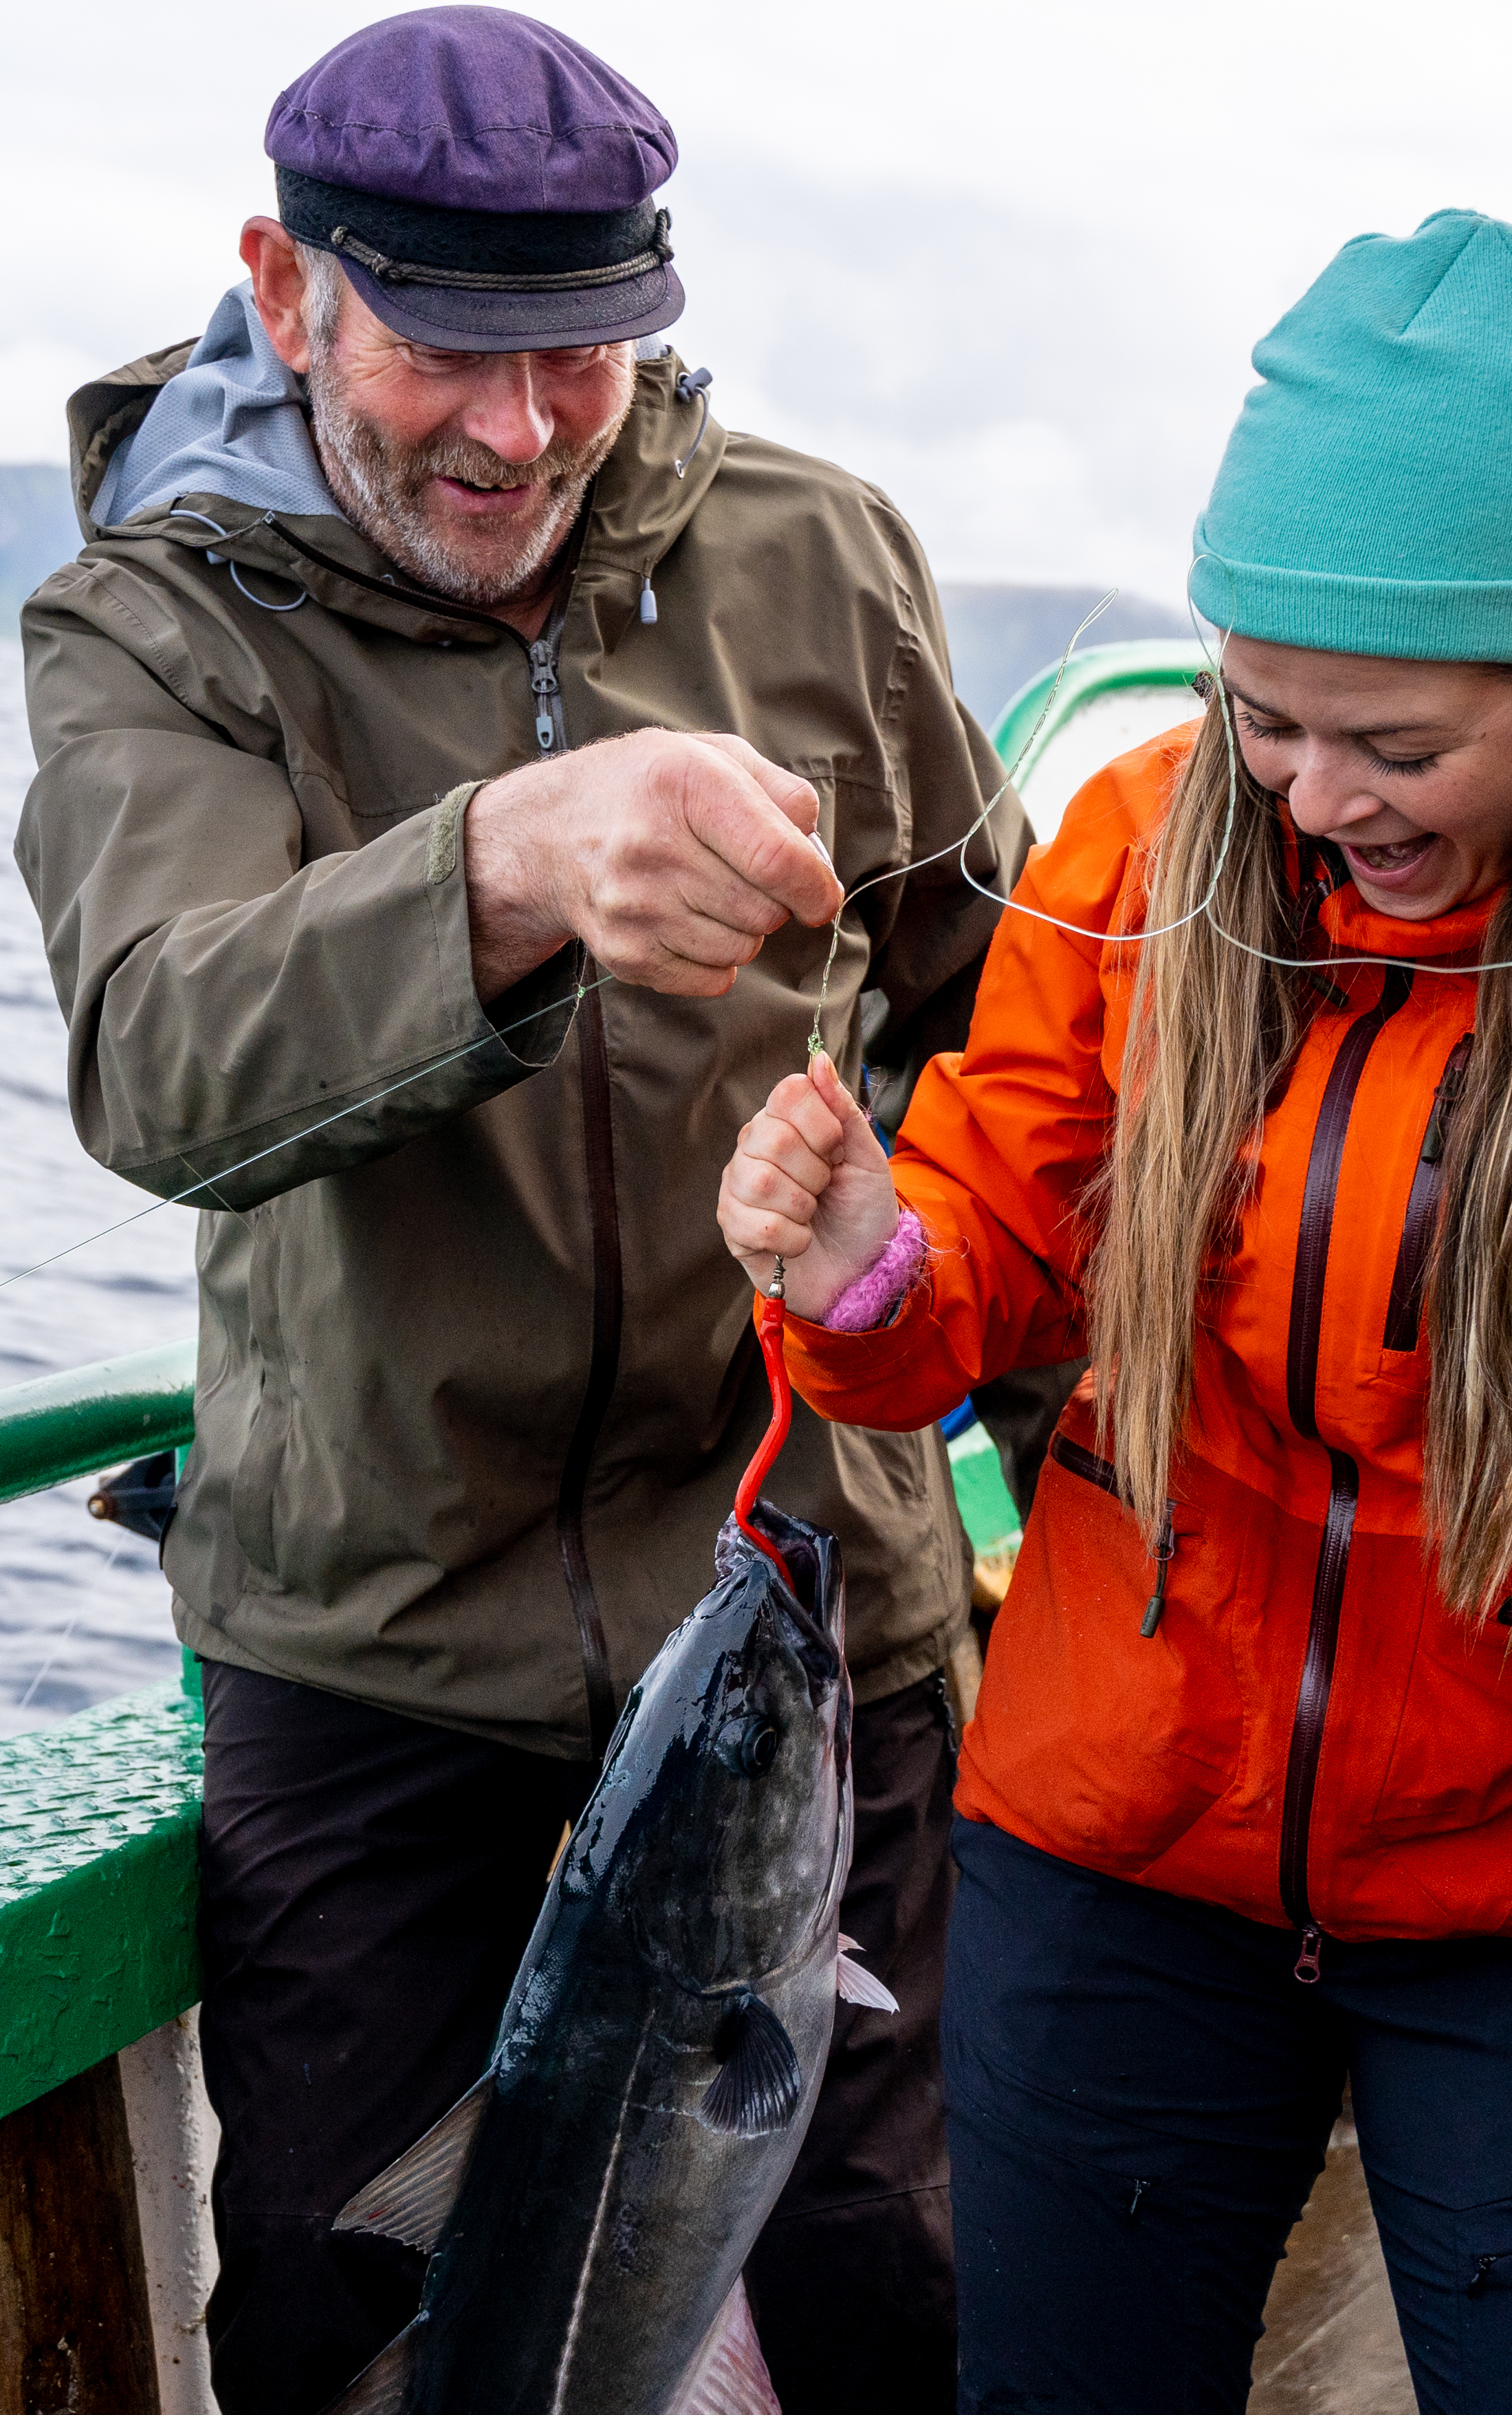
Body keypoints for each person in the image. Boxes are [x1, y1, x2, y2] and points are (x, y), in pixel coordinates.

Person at [719, 209, 1512, 2414]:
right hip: (1111, 1868)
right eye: (1267, 716)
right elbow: (950, 1296)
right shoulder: (1139, 841)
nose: (1311, 797)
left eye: (1393, 743)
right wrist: (853, 1275)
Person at [17, 12, 1049, 2412]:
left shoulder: (817, 552)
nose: (517, 431)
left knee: (891, 2301)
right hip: (380, 1650)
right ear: (285, 291)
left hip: (803, 1609)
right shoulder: (149, 629)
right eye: (448, 355)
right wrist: (498, 871)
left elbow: (1004, 1027)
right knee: (344, 2310)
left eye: (585, 358)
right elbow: (158, 1054)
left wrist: (919, 1214)